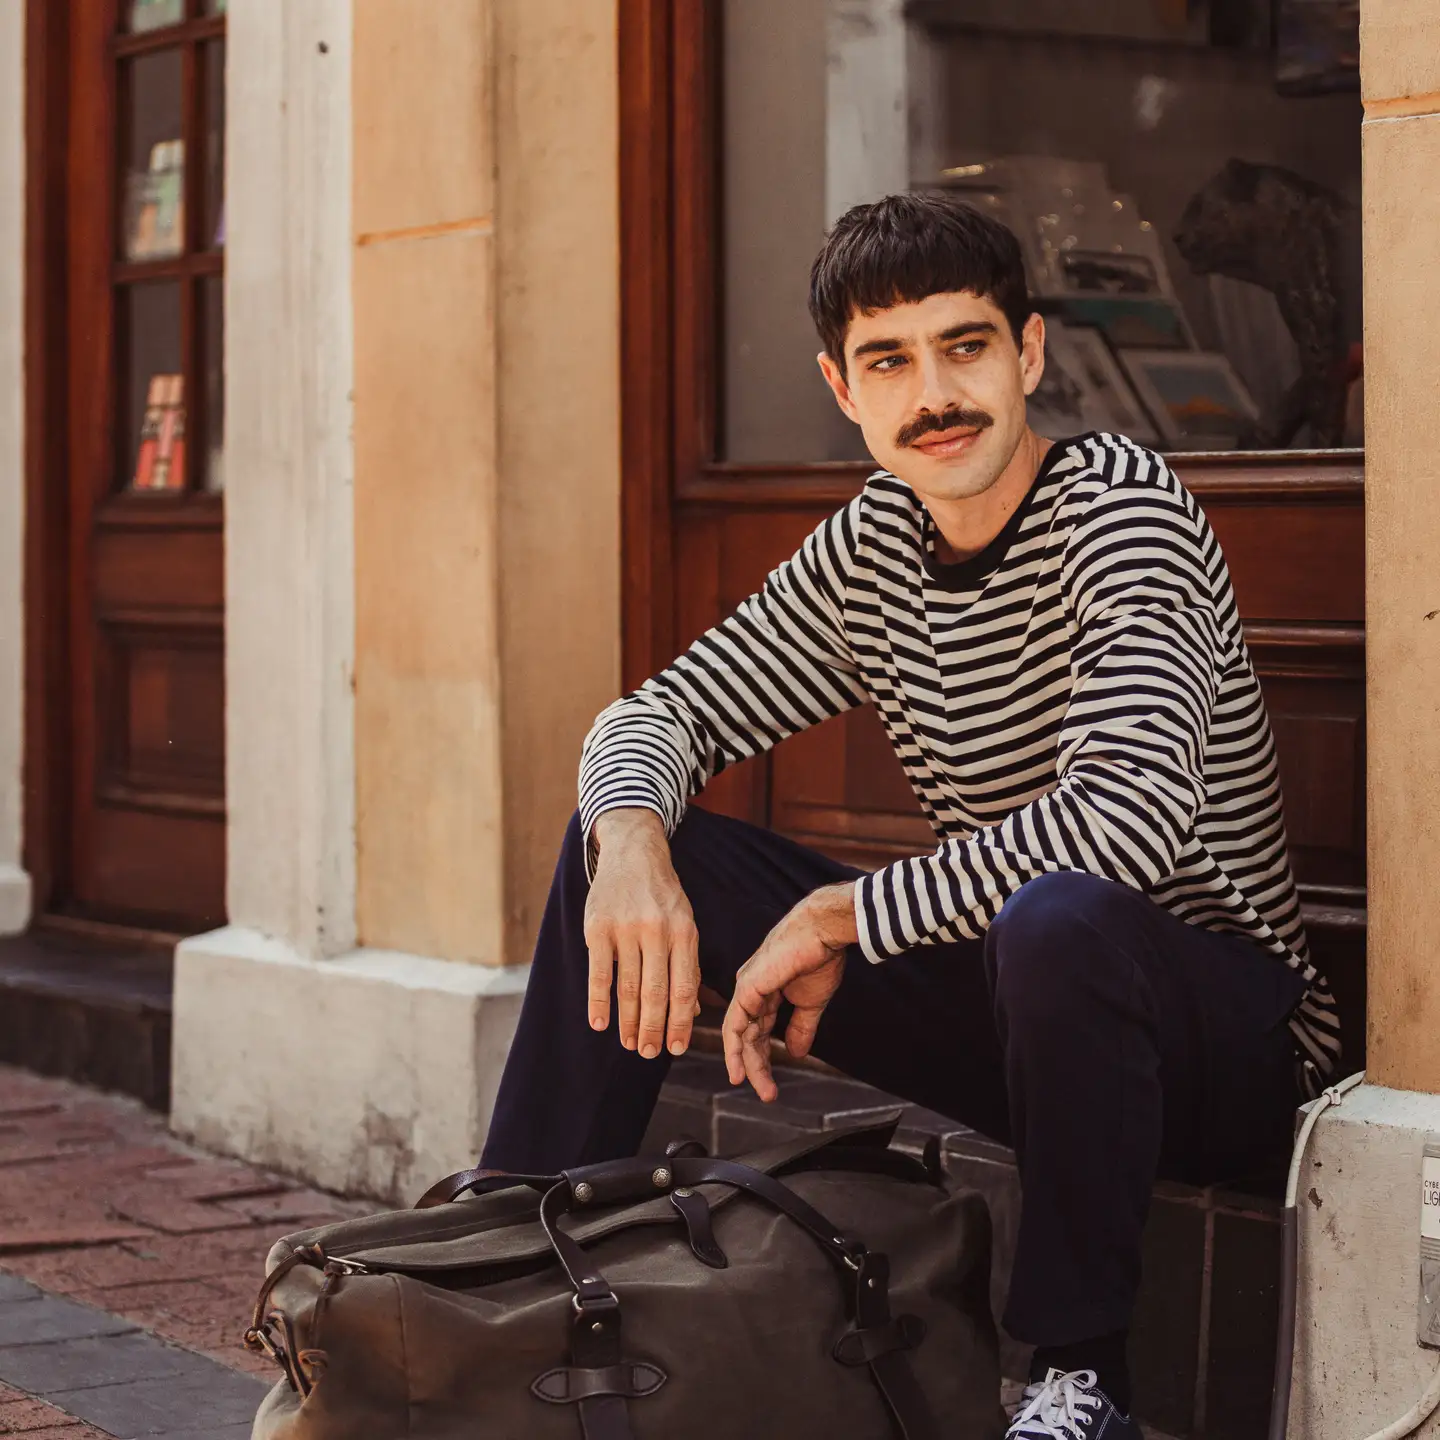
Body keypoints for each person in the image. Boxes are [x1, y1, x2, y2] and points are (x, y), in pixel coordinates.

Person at [481, 192, 1340, 1438]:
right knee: (627, 839)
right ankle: (508, 1273)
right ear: (844, 387)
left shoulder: (1123, 508)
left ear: (1030, 353)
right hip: (1027, 1011)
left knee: (1060, 919)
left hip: (1233, 1042)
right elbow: (657, 716)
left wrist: (845, 912)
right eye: (891, 360)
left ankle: (1078, 1377)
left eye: (966, 346)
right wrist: (625, 842)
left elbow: (1129, 818)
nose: (934, 394)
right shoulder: (873, 547)